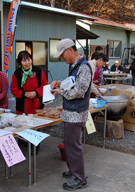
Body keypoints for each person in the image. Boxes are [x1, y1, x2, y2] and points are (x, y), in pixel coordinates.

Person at [50, 38, 91, 190]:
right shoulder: (75, 66)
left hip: (76, 114)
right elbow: (71, 83)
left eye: (63, 54)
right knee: (69, 144)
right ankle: (73, 171)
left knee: (74, 146)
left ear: (71, 50)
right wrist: (59, 83)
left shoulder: (84, 67)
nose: (62, 58)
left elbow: (79, 91)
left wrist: (59, 91)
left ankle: (80, 178)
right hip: (70, 113)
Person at [11, 51, 48, 115]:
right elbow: (13, 89)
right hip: (22, 105)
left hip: (37, 104)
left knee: (38, 122)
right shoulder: (17, 74)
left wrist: (36, 92)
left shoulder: (38, 71)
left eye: (29, 60)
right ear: (20, 62)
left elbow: (44, 86)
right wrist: (24, 94)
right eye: (24, 61)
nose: (27, 63)